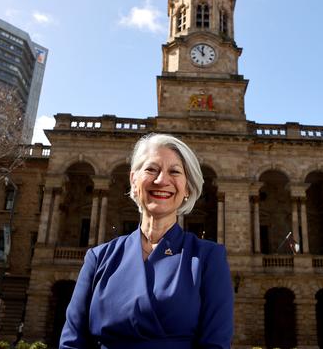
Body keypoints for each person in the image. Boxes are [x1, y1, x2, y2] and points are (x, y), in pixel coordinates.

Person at [60, 133, 234, 349]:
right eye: (151, 169)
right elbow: (72, 342)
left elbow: (215, 344)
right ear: (134, 179)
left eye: (175, 171)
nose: (162, 180)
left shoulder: (208, 258)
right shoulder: (98, 258)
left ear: (187, 188)